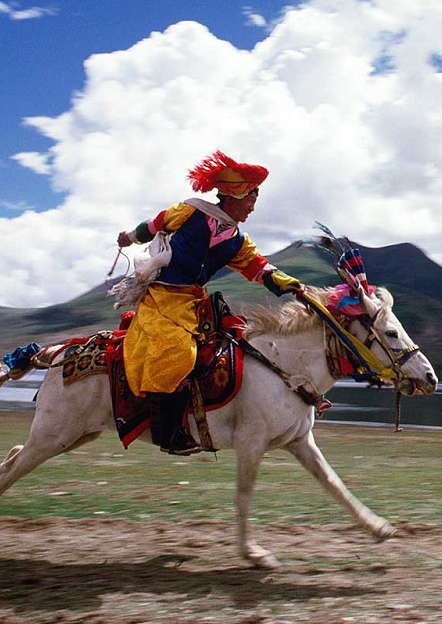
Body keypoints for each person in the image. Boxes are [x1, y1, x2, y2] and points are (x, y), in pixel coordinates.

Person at [116, 151, 303, 454]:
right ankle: (169, 434)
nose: (253, 208)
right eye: (250, 200)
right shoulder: (190, 212)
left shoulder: (237, 241)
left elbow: (259, 267)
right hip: (162, 298)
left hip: (193, 303)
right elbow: (154, 225)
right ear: (234, 196)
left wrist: (293, 285)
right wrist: (128, 237)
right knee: (178, 352)